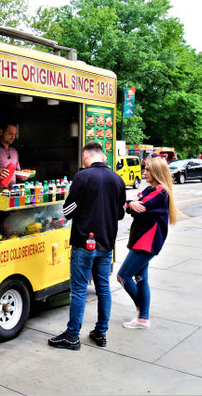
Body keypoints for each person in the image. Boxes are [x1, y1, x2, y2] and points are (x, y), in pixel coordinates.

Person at [48, 141, 126, 351]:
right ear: (102, 156)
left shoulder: (83, 177)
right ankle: (100, 332)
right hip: (106, 243)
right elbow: (120, 214)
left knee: (80, 290)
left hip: (84, 243)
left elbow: (68, 211)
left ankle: (72, 336)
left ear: (85, 156)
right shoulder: (117, 179)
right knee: (103, 288)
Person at [117, 157, 178, 329]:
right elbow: (134, 207)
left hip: (147, 241)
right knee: (141, 279)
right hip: (142, 240)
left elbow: (140, 207)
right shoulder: (152, 189)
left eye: (148, 170)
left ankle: (143, 313)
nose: (144, 172)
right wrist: (131, 204)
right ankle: (143, 318)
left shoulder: (160, 191)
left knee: (123, 276)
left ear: (157, 172)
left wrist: (131, 204)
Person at [0, 123, 28, 190]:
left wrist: (23, 175)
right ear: (1, 132)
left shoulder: (14, 152)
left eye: (15, 134)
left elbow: (16, 172)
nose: (13, 137)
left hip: (12, 191)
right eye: (10, 134)